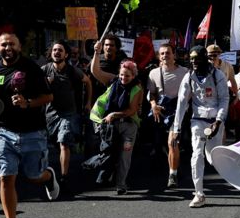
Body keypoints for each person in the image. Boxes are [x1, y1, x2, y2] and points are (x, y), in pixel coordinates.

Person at [0, 33, 61, 218]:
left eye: (12, 44)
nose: (7, 47)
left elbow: (48, 97)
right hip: (3, 130)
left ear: (19, 47)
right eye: (3, 44)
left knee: (32, 174)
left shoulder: (31, 68)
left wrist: (27, 103)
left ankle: (48, 176)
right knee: (5, 176)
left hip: (32, 131)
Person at [171, 46, 229, 208]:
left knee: (214, 157)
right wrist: (176, 129)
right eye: (192, 59)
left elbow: (224, 99)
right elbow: (181, 104)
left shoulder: (218, 75)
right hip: (197, 121)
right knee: (197, 155)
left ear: (204, 58)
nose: (194, 62)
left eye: (197, 59)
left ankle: (236, 174)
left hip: (215, 122)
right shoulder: (189, 77)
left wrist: (218, 121)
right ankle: (199, 193)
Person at [43, 41, 91, 188]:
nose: (57, 52)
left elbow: (88, 82)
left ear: (66, 54)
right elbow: (35, 86)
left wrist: (88, 103)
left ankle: (64, 177)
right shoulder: (45, 70)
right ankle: (64, 162)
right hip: (51, 114)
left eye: (60, 50)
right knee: (57, 143)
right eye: (55, 50)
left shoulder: (72, 70)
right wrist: (45, 82)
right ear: (51, 53)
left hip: (69, 113)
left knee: (64, 142)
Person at [91, 60, 143, 195]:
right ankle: (104, 176)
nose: (123, 78)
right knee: (108, 152)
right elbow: (95, 71)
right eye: (121, 75)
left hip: (129, 126)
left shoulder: (137, 89)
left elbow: (132, 111)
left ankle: (121, 184)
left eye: (127, 76)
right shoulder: (113, 83)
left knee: (125, 156)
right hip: (111, 126)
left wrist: (114, 114)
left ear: (133, 76)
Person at [147, 44, 188, 188]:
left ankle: (173, 174)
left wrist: (183, 106)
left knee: (172, 142)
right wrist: (153, 105)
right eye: (162, 53)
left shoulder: (185, 72)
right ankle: (176, 167)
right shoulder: (153, 73)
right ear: (159, 56)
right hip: (161, 113)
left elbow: (191, 93)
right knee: (161, 145)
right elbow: (152, 93)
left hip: (178, 113)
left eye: (168, 53)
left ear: (174, 55)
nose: (165, 56)